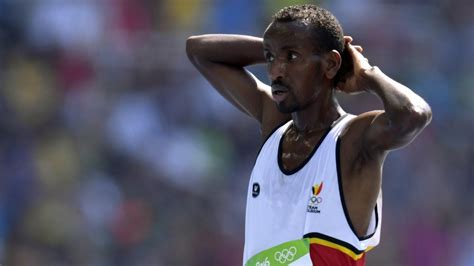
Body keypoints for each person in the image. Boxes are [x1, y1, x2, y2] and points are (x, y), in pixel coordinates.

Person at [186, 4, 431, 266]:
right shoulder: (275, 123)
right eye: (271, 59)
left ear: (331, 64)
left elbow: (413, 115)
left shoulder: (352, 139)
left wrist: (367, 73)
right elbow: (199, 50)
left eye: (291, 57)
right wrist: (279, 48)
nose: (275, 71)